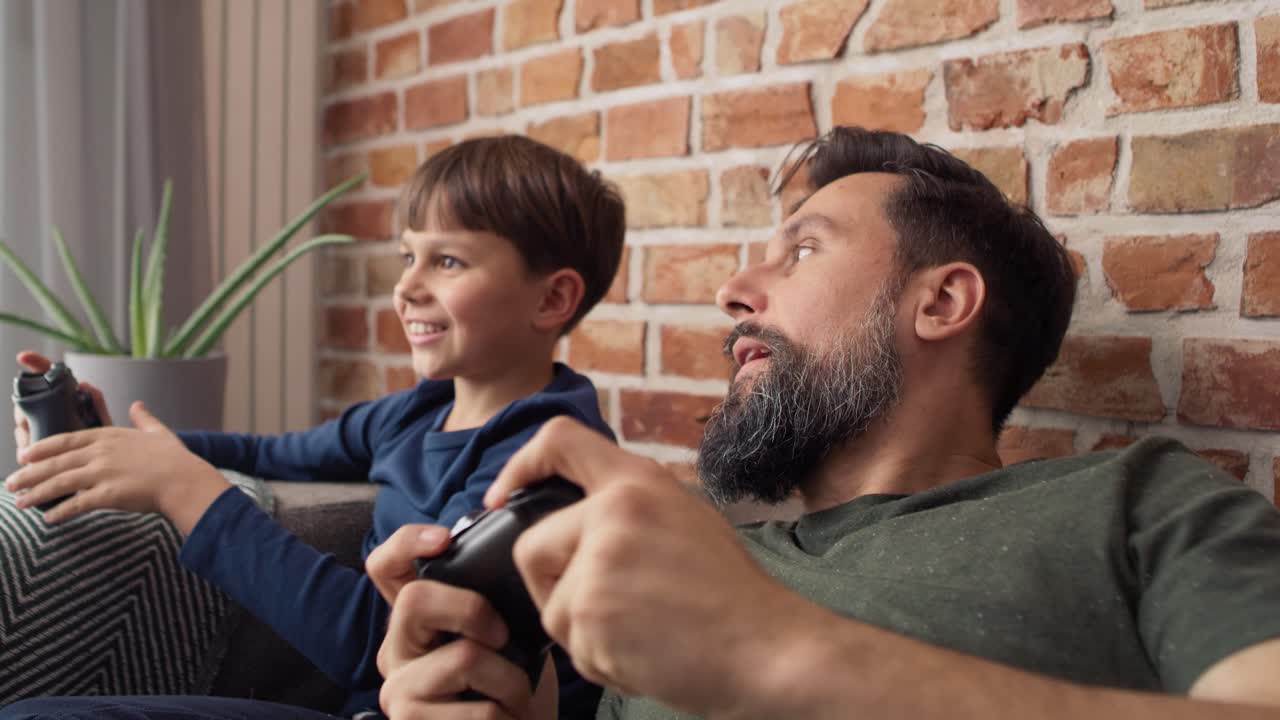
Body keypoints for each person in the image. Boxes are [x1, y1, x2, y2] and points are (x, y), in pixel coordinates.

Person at [366, 127, 1280, 720]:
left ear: (942, 302)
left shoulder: (1137, 504)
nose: (733, 292)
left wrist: (777, 653)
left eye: (800, 251)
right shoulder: (686, 547)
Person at [3, 135, 625, 719]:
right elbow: (271, 454)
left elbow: (391, 646)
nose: (406, 286)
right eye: (409, 257)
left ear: (552, 299)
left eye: (447, 261)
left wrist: (183, 490)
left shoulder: (551, 460)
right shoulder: (416, 413)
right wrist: (118, 448)